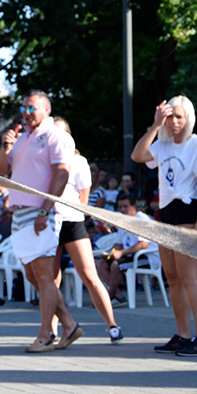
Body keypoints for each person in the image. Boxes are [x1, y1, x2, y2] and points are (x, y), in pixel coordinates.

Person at [0, 90, 82, 353]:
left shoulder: (56, 135)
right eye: (24, 108)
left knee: (44, 276)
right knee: (33, 275)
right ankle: (69, 324)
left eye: (32, 108)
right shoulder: (21, 139)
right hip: (19, 213)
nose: (26, 113)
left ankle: (46, 335)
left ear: (45, 109)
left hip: (42, 212)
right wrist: (6, 146)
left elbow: (61, 174)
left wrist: (45, 210)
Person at [131, 95, 197, 357]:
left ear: (188, 118)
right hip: (165, 213)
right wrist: (155, 126)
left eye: (179, 116)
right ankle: (182, 335)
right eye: (170, 116)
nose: (174, 121)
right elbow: (138, 155)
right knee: (173, 280)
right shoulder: (163, 143)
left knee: (190, 278)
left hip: (188, 211)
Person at [50, 117, 123, 344]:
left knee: (90, 275)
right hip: (50, 222)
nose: (57, 138)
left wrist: (78, 216)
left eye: (61, 133)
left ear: (69, 136)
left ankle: (112, 325)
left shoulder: (79, 161)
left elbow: (83, 197)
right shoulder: (43, 158)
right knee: (51, 280)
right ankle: (52, 330)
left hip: (72, 221)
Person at [95, 194, 159, 307]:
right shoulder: (123, 221)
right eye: (120, 207)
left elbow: (143, 245)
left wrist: (121, 253)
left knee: (115, 265)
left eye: (125, 206)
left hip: (147, 257)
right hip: (130, 256)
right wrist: (109, 254)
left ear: (134, 206)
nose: (122, 210)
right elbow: (118, 244)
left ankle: (109, 297)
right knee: (101, 263)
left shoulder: (142, 219)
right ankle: (118, 295)